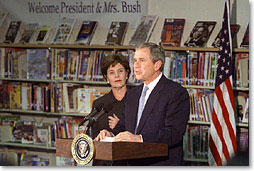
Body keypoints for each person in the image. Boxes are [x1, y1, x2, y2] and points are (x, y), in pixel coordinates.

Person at [95, 42, 190, 166]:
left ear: (157, 65)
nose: (136, 66)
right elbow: (124, 126)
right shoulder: (132, 94)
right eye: (135, 61)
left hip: (159, 164)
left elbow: (174, 133)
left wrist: (139, 138)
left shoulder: (176, 93)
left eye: (142, 60)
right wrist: (111, 134)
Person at [91, 53, 130, 166]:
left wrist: (121, 127)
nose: (117, 76)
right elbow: (94, 138)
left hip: (127, 162)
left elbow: (144, 134)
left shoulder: (137, 100)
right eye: (111, 73)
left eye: (120, 71)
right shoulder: (99, 104)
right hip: (102, 162)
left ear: (127, 73)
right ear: (106, 77)